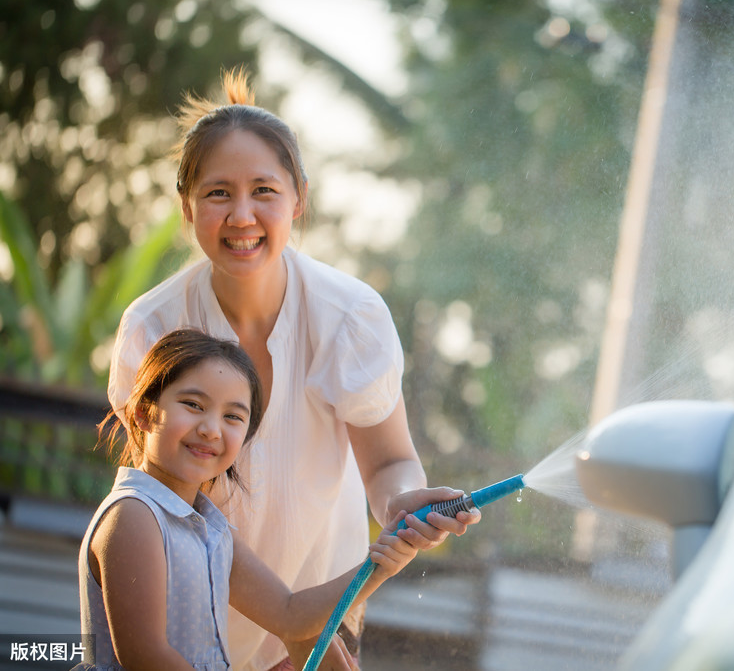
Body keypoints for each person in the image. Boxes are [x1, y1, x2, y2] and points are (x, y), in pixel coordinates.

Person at [106, 67, 480, 670]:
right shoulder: (153, 327)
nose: (242, 215)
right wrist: (286, 620)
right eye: (218, 193)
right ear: (187, 206)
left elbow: (386, 461)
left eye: (265, 191)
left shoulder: (351, 316)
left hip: (317, 607)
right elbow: (162, 500)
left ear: (299, 198)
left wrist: (403, 508)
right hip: (189, 627)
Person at [79, 328, 418, 671]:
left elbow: (289, 614)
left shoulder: (211, 527)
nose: (212, 428)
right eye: (193, 405)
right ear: (144, 412)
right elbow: (146, 656)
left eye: (232, 417)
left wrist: (379, 566)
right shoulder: (134, 515)